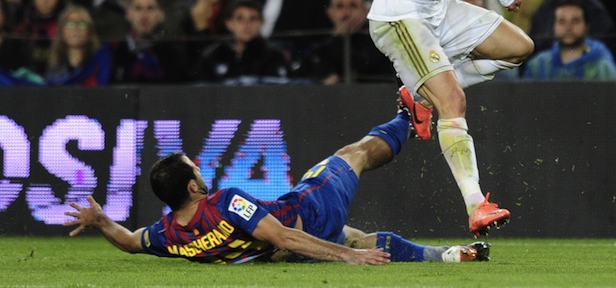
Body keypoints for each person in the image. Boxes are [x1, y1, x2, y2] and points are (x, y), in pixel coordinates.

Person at [368, 0, 555, 236]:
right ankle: (476, 204)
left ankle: (420, 94)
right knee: (453, 102)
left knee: (519, 46)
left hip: (436, 11)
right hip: (400, 15)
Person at [64, 106, 490, 264]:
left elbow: (129, 241)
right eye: (194, 168)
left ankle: (450, 256)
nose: (199, 169)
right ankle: (409, 116)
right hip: (309, 209)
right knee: (352, 155)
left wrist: (102, 221)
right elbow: (285, 233)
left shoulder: (169, 235)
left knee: (362, 240)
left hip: (286, 253)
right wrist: (345, 259)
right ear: (193, 187)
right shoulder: (226, 203)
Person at [307, 0, 393, 84]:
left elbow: (362, 69)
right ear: (330, 13)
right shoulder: (319, 50)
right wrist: (338, 39)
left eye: (353, 5)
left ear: (366, 11)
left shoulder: (380, 45)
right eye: (340, 6)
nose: (346, 12)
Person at [523, 0, 616, 80]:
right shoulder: (538, 66)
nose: (568, 27)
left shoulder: (603, 68)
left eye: (575, 21)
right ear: (553, 26)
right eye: (562, 21)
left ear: (587, 26)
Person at [195, 0, 290, 83]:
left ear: (261, 23)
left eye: (253, 19)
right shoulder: (213, 55)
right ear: (229, 24)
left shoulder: (273, 56)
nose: (247, 25)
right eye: (240, 19)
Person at [109, 0, 190, 84]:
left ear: (161, 15)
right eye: (138, 8)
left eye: (150, 8)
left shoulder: (173, 55)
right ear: (128, 14)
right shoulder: (114, 52)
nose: (144, 15)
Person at [46, 5, 111, 86]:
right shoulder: (54, 68)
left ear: (89, 32)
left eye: (82, 25)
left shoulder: (100, 65)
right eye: (70, 24)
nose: (76, 29)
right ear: (61, 31)